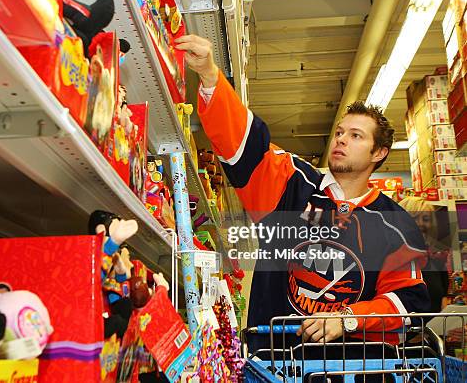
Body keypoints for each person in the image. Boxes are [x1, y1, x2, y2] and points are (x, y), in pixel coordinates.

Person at [175, 35, 430, 352]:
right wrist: (211, 75)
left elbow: (408, 301)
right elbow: (245, 145)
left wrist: (348, 317)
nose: (341, 140)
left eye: (355, 136)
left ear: (378, 152)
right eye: (339, 132)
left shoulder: (395, 224)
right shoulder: (292, 183)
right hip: (278, 364)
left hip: (351, 370)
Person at [399, 196, 450, 313]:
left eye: (426, 219)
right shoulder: (386, 262)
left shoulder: (436, 263)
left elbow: (442, 304)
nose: (421, 224)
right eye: (414, 218)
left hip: (430, 330)